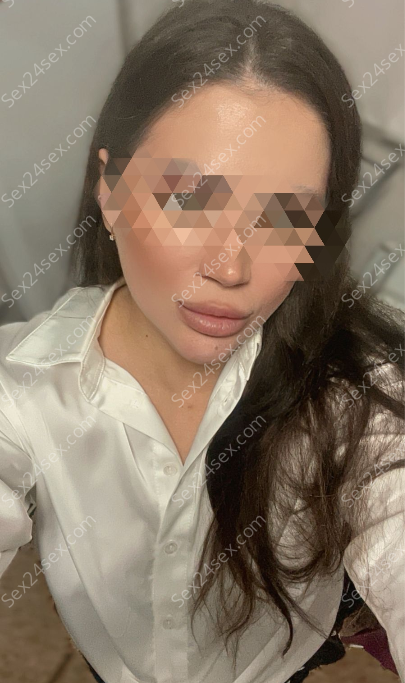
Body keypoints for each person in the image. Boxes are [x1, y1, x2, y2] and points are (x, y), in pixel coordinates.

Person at [1, 1, 405, 682]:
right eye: (187, 199)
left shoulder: (357, 401)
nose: (231, 267)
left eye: (284, 216)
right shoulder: (23, 386)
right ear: (109, 188)